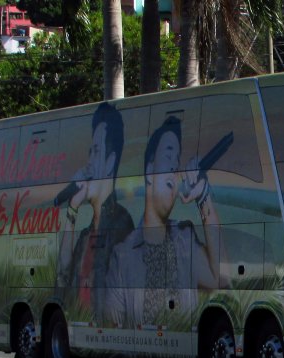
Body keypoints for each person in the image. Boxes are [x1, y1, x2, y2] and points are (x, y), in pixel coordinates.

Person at [105, 116, 226, 328]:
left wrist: (204, 196)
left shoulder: (185, 239)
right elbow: (112, 327)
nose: (174, 168)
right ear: (150, 171)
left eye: (177, 161)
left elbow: (220, 280)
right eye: (168, 156)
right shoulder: (121, 256)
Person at [56, 102, 134, 324]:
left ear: (110, 163)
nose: (88, 163)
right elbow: (62, 276)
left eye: (96, 152)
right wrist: (71, 209)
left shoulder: (122, 226)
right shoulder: (84, 236)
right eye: (89, 152)